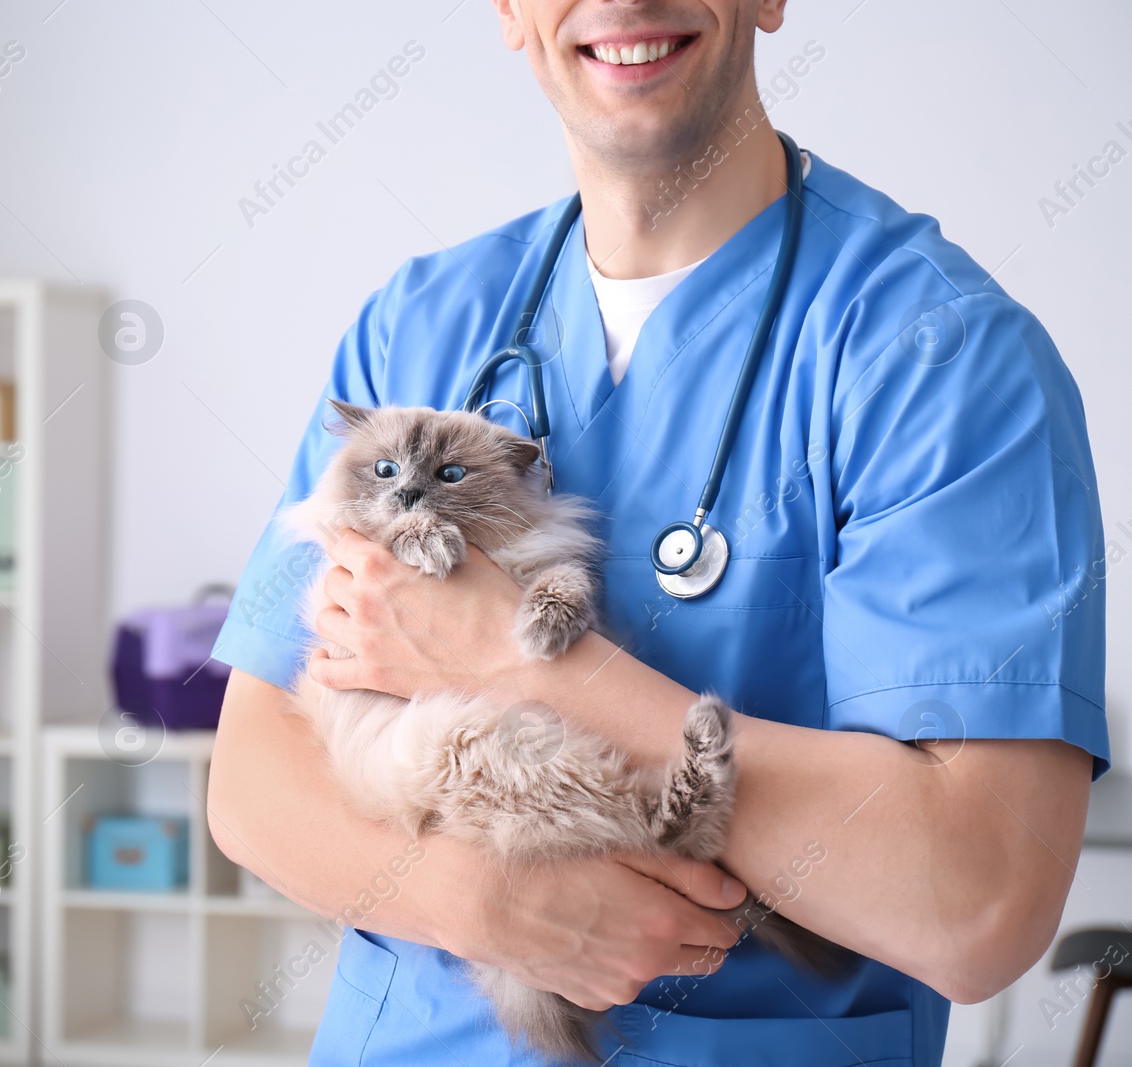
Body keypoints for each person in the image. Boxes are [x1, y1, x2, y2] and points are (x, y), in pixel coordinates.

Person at [205, 1, 1109, 1064]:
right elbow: (252, 781)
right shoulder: (416, 322)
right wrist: (482, 900)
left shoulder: (940, 358)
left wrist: (523, 661)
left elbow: (975, 905)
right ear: (507, 9)